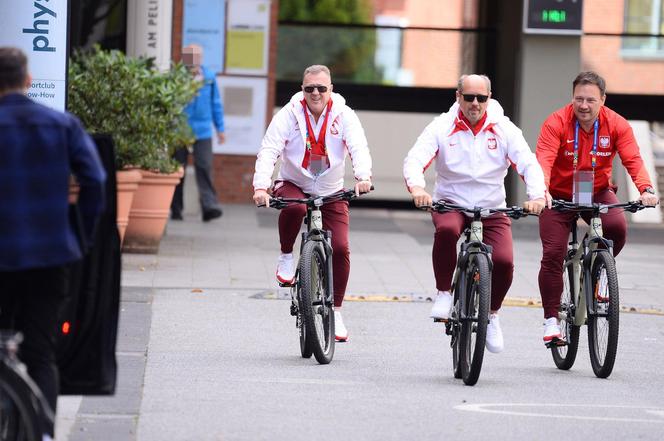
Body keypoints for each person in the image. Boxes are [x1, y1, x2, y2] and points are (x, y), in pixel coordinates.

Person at [0, 47, 106, 441]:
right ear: (28, 81)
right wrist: (80, 235)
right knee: (41, 353)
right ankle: (43, 433)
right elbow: (95, 180)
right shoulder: (61, 125)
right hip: (49, 254)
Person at [403, 74, 546, 354]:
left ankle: (492, 314)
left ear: (489, 99)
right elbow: (415, 159)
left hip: (492, 206)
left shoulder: (504, 128)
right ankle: (444, 293)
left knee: (504, 261)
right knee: (446, 231)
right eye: (469, 97)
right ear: (458, 97)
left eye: (482, 98)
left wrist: (537, 196)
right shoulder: (442, 126)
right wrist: (418, 188)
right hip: (451, 203)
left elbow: (528, 162)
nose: (475, 103)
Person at [536, 71, 659, 345]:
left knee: (616, 228)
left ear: (602, 100)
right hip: (557, 194)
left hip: (597, 191)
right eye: (579, 98)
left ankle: (601, 275)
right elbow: (543, 159)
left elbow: (633, 160)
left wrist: (646, 189)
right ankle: (551, 320)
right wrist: (540, 191)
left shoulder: (616, 124)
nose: (583, 105)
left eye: (590, 100)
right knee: (553, 253)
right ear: (572, 98)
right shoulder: (556, 122)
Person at [252, 65, 372, 342]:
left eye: (321, 88)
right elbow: (269, 149)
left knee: (340, 248)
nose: (315, 93)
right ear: (302, 90)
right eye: (309, 89)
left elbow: (358, 147)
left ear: (331, 89)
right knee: (295, 207)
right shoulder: (289, 114)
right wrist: (261, 186)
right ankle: (285, 256)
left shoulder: (344, 115)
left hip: (331, 189)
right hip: (295, 182)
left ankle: (337, 311)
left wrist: (363, 177)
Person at [171, 44, 225, 222]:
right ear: (184, 58)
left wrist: (220, 129)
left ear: (201, 58)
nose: (193, 59)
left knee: (204, 167)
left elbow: (215, 103)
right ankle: (176, 209)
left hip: (203, 131)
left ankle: (209, 206)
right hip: (180, 131)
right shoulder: (177, 77)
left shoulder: (209, 77)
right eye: (189, 56)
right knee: (178, 170)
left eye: (197, 56)